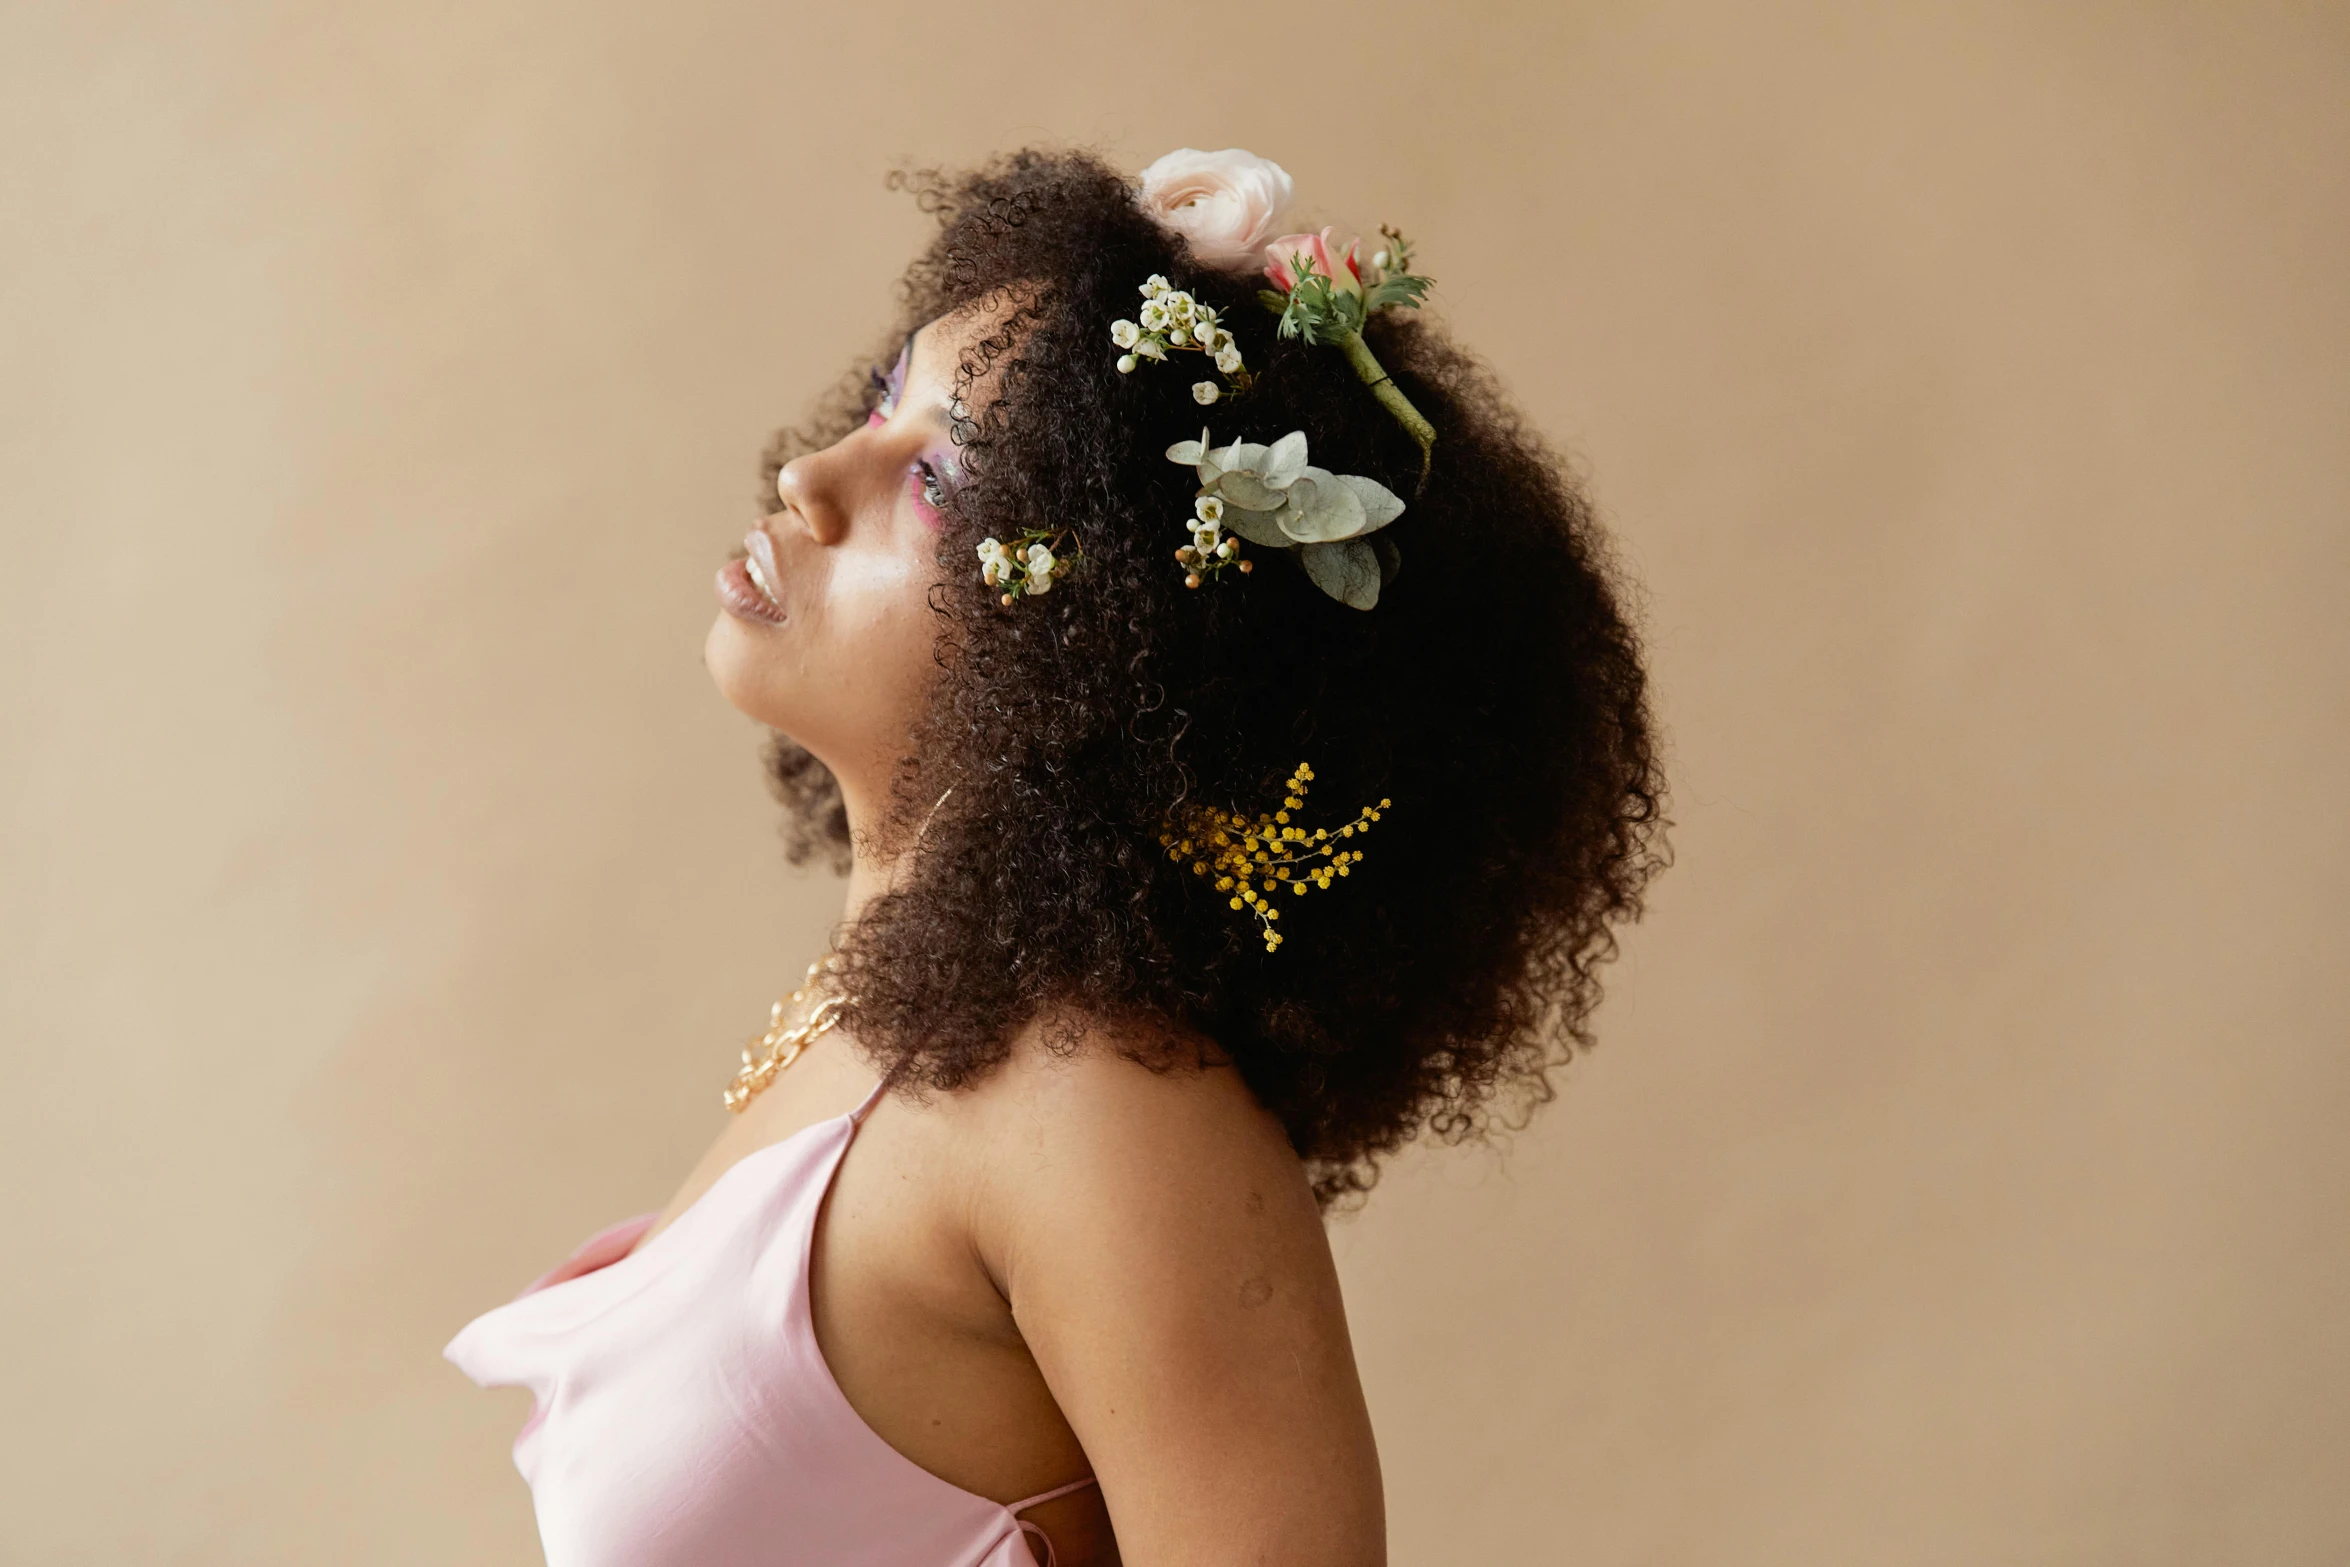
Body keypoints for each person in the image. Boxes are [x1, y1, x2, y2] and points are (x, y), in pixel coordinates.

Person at [446, 145, 1666, 1567]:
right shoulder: (888, 1021)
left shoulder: (1095, 1114)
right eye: (878, 401)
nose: (812, 473)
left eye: (944, 484)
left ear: (1123, 655)